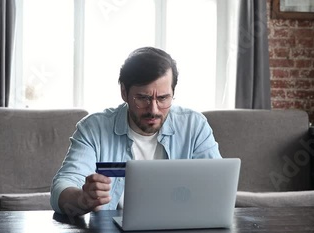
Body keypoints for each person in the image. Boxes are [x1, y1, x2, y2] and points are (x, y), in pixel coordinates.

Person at [50, 47, 221, 216]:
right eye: (143, 98)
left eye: (163, 98)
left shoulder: (194, 125)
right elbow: (63, 186)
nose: (153, 110)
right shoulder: (93, 129)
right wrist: (83, 198)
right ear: (124, 92)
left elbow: (217, 185)